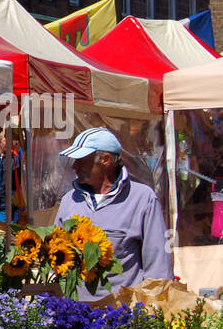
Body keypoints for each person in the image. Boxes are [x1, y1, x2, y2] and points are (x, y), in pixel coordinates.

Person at [55, 126, 172, 297]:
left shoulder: (142, 199)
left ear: (105, 160)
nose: (75, 166)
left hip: (122, 316)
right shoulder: (69, 201)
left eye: (81, 160)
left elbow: (158, 268)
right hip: (74, 315)